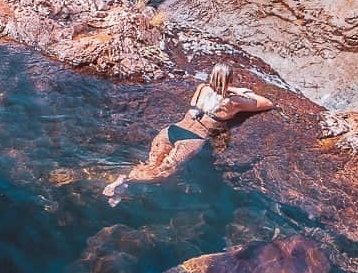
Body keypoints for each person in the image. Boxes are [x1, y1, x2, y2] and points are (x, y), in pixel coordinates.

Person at [103, 63, 274, 202]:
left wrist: (225, 87)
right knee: (162, 173)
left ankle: (123, 179)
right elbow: (267, 103)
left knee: (151, 164)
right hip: (191, 139)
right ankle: (127, 182)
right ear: (230, 79)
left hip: (172, 130)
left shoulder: (202, 88)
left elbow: (204, 96)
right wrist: (236, 90)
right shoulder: (233, 102)